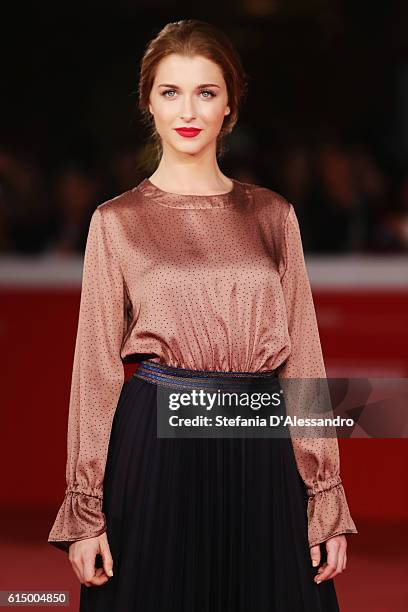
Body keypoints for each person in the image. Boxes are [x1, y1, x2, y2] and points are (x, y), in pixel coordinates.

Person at [47, 19, 358, 611]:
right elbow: (94, 374)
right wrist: (86, 511)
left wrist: (324, 492)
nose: (187, 109)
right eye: (171, 92)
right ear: (149, 103)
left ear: (230, 106)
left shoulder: (273, 214)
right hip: (156, 444)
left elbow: (303, 358)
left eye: (206, 92)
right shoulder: (116, 222)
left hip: (262, 445)